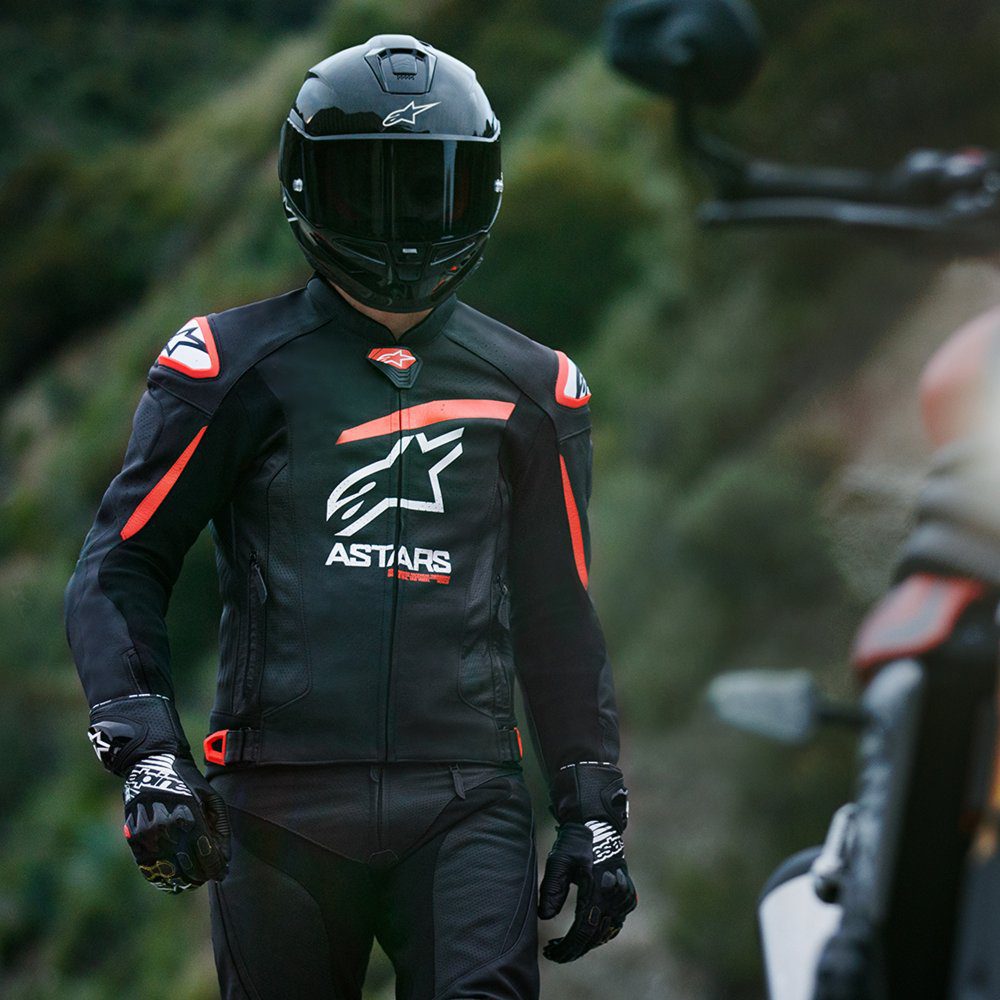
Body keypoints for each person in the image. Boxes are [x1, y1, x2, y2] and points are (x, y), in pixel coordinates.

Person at [64, 34, 637, 999]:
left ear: (482, 193)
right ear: (305, 189)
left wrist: (594, 809)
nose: (402, 225)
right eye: (365, 187)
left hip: (465, 805)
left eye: (429, 188)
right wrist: (148, 754)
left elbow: (557, 615)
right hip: (277, 806)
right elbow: (120, 567)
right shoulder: (228, 368)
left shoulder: (537, 390)